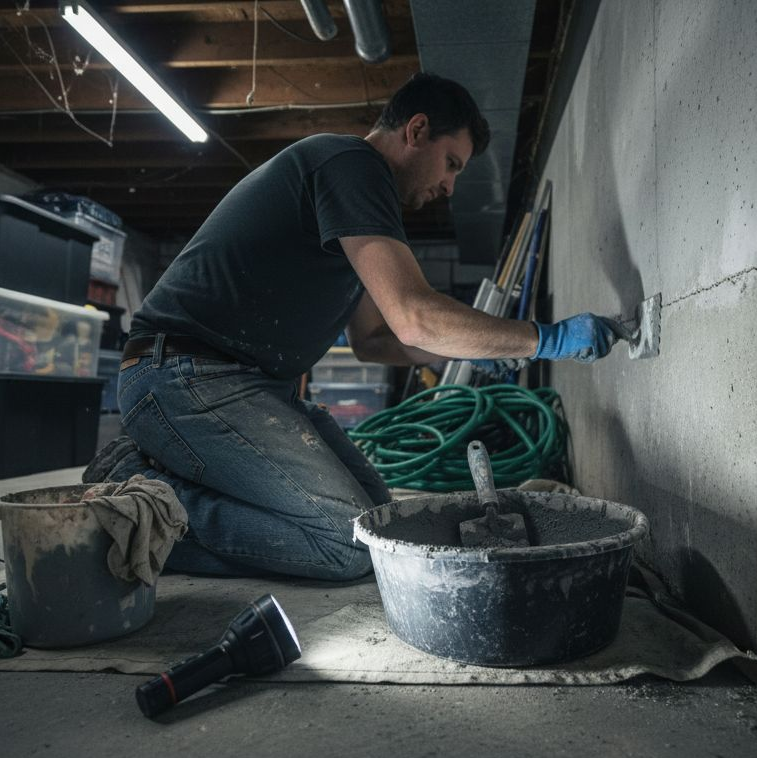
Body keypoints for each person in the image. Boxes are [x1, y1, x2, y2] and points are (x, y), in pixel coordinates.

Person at [86, 72, 620, 581]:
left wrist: (460, 351)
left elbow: (375, 340)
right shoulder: (350, 165)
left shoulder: (355, 197)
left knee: (383, 524)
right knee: (348, 547)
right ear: (416, 130)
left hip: (238, 385)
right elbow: (413, 317)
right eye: (451, 163)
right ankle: (140, 501)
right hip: (181, 375)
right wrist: (546, 339)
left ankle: (164, 478)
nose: (451, 186)